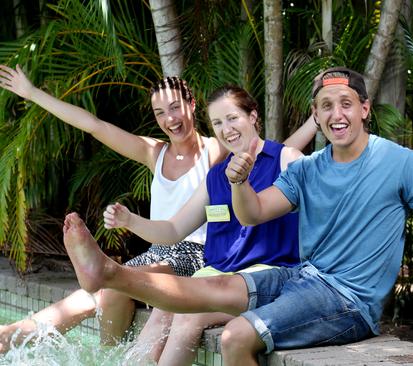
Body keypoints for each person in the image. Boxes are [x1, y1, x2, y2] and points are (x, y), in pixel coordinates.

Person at [60, 66, 413, 365]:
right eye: (325, 106)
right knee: (211, 290)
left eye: (346, 104)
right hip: (304, 277)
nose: (336, 114)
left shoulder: (399, 162)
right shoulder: (308, 168)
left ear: (364, 108)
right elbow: (253, 214)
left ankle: (110, 274)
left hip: (349, 299)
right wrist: (239, 182)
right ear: (316, 114)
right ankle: (110, 274)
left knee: (235, 336)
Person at [0, 65, 316, 351]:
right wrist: (32, 94)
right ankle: (68, 344)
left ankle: (88, 345)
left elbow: (267, 151)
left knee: (116, 282)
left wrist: (314, 121)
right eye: (160, 112)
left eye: (176, 107)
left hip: (196, 253)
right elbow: (94, 125)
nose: (170, 118)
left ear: (192, 106)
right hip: (160, 248)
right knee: (103, 291)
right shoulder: (155, 153)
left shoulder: (216, 149)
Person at [103, 85, 302, 365]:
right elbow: (173, 231)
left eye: (232, 118)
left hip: (264, 276)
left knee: (188, 315)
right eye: (218, 123)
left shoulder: (286, 159)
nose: (226, 129)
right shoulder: (216, 175)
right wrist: (130, 220)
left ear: (253, 116)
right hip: (214, 274)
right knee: (164, 308)